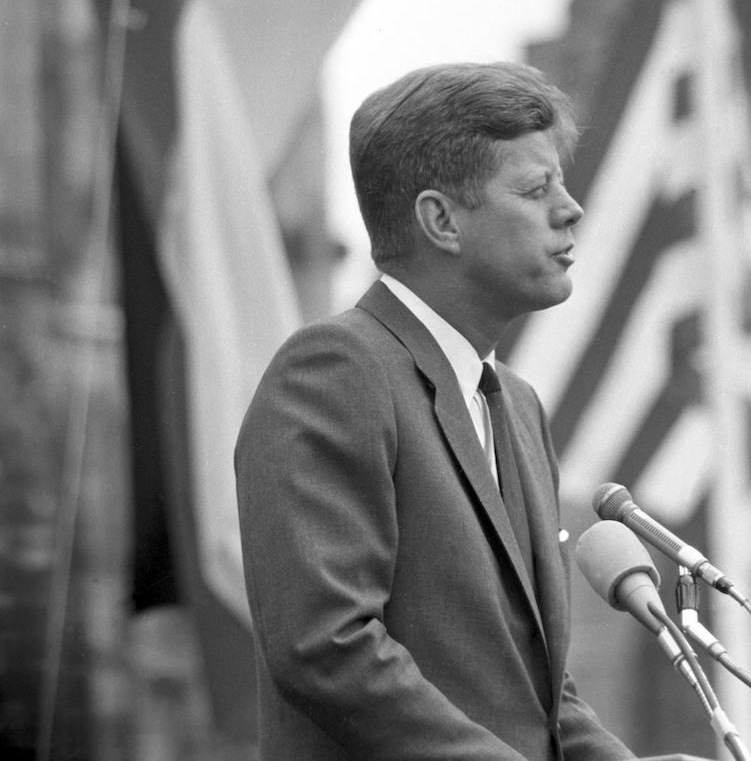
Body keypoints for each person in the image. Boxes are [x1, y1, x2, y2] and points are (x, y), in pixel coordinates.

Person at [235, 62, 635, 761]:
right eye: (535, 188)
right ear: (441, 220)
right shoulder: (336, 371)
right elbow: (328, 646)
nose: (570, 209)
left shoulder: (518, 406)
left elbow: (539, 697)